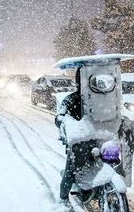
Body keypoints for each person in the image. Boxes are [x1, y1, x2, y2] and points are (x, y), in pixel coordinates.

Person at [55, 68, 82, 203]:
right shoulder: (71, 99)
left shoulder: (107, 100)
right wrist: (63, 121)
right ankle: (63, 199)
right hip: (79, 141)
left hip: (103, 140)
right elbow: (59, 118)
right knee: (70, 171)